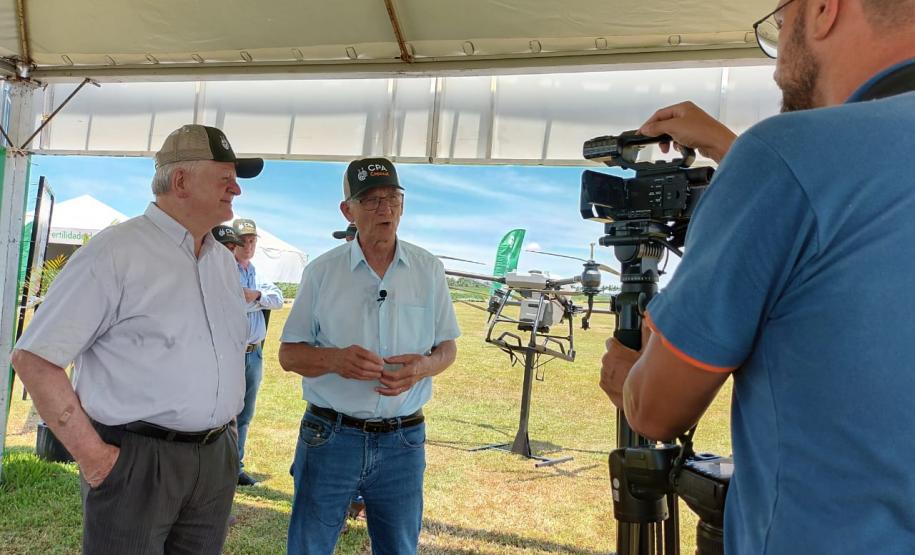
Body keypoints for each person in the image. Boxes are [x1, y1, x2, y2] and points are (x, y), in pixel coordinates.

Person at [599, 1, 915, 553]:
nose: (773, 67)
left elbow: (655, 410)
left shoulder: (783, 153)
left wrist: (630, 374)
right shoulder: (793, 164)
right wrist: (733, 150)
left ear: (822, 10)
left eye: (778, 26)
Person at [11, 124, 263, 554]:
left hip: (215, 456)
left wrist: (228, 437)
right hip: (137, 460)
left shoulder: (222, 262)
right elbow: (35, 359)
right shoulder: (115, 253)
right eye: (225, 178)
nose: (235, 190)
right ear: (180, 181)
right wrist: (96, 459)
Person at [279, 157, 460, 554]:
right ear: (348, 210)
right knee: (310, 545)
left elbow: (447, 348)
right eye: (372, 200)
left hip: (403, 441)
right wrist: (334, 360)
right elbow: (289, 354)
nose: (386, 209)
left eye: (393, 198)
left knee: (399, 547)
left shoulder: (428, 269)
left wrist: (422, 368)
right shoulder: (323, 272)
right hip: (330, 437)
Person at [231, 217, 284, 486]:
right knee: (225, 411)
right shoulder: (225, 269)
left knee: (245, 413)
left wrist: (253, 296)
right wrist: (257, 298)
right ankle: (221, 466)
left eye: (252, 240)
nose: (249, 245)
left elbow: (277, 299)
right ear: (234, 243)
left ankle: (235, 466)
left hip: (254, 354)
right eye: (244, 240)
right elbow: (230, 304)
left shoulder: (256, 272)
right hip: (230, 353)